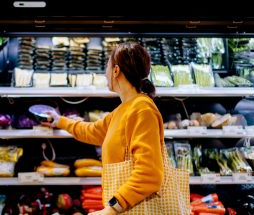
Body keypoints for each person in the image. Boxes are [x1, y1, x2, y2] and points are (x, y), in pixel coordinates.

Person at [43, 42, 164, 214]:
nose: (105, 74)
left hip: (133, 209)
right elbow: (92, 131)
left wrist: (112, 208)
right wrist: (60, 121)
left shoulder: (142, 110)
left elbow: (150, 174)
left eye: (106, 67)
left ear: (116, 71)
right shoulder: (123, 110)